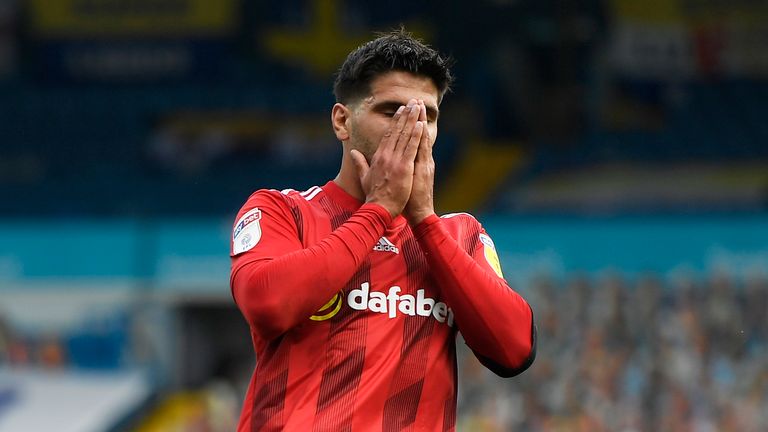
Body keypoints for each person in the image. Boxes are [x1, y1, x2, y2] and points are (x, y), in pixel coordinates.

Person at [229, 29, 536, 431]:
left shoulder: (461, 234)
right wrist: (378, 211)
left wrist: (424, 220)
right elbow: (267, 306)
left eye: (427, 115)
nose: (413, 129)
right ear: (342, 121)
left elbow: (514, 351)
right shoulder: (283, 210)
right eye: (393, 111)